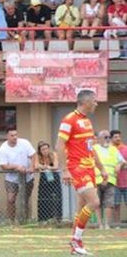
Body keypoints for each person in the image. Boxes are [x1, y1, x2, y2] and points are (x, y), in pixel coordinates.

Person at [57, 89, 108, 255]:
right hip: (77, 168)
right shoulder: (69, 119)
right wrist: (64, 170)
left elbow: (90, 148)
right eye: (94, 100)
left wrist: (101, 168)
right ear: (85, 102)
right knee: (94, 202)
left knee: (80, 208)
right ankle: (76, 239)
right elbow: (59, 145)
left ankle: (75, 247)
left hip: (89, 167)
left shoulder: (87, 121)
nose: (96, 103)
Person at [0, 127, 35, 224]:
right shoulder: (3, 148)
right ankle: (11, 221)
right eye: (12, 135)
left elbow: (33, 155)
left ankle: (26, 220)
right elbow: (3, 166)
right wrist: (16, 167)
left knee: (26, 199)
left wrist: (31, 167)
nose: (15, 137)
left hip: (27, 177)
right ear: (7, 136)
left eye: (16, 135)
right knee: (10, 199)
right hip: (11, 178)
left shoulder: (24, 143)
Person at [93, 129, 125, 229]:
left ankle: (106, 224)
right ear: (99, 139)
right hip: (96, 180)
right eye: (105, 137)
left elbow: (123, 161)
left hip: (110, 181)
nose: (107, 139)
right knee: (96, 203)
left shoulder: (113, 149)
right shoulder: (94, 148)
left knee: (109, 203)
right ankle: (99, 224)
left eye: (108, 137)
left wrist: (119, 164)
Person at [34, 140, 62, 224]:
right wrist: (44, 166)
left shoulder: (53, 154)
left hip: (54, 177)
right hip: (44, 178)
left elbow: (56, 166)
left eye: (46, 148)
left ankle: (57, 218)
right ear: (40, 150)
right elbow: (36, 165)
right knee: (43, 198)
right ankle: (43, 219)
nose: (45, 151)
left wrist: (46, 167)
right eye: (43, 149)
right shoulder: (37, 156)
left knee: (57, 198)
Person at [112, 130, 127, 225]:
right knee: (116, 205)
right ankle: (117, 224)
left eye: (119, 136)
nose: (118, 138)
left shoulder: (125, 149)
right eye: (115, 137)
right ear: (111, 138)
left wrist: (120, 166)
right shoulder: (110, 149)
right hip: (114, 183)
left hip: (126, 181)